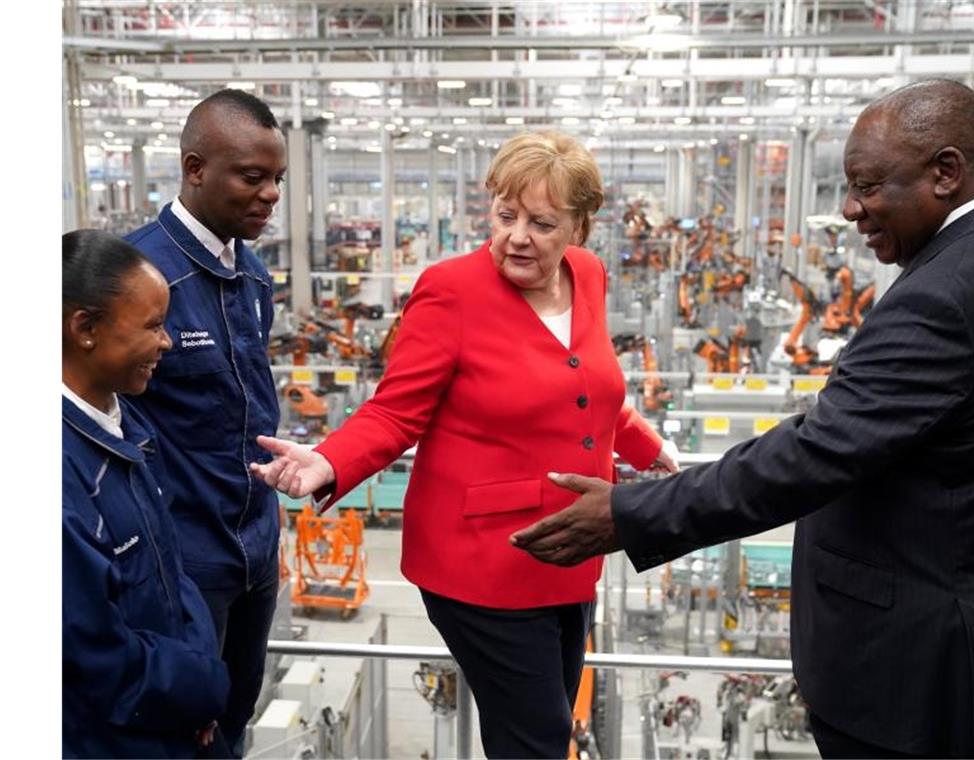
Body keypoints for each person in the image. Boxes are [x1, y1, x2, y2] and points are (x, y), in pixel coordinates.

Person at [512, 80, 974, 759]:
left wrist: (631, 513)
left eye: (868, 186)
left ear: (946, 173)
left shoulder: (948, 298)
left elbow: (814, 454)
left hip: (916, 676)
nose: (850, 209)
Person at [250, 131, 677, 759]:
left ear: (579, 229)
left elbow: (584, 381)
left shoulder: (588, 276)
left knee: (546, 731)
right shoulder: (451, 290)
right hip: (483, 561)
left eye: (541, 222)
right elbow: (396, 412)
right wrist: (330, 459)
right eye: (506, 215)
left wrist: (641, 444)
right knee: (535, 740)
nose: (517, 236)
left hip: (572, 549)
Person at [123, 88, 287, 757]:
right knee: (184, 728)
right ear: (195, 169)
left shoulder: (250, 275)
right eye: (253, 177)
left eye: (276, 178)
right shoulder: (137, 278)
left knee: (236, 714)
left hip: (255, 546)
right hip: (187, 560)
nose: (271, 194)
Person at [62, 229, 229, 757]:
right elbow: (94, 656)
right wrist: (200, 690)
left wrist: (198, 684)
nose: (168, 341)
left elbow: (171, 572)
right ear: (85, 327)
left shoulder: (124, 423)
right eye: (154, 325)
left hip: (173, 711)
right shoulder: (59, 480)